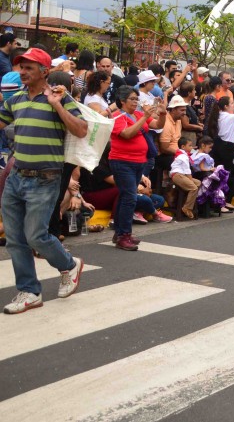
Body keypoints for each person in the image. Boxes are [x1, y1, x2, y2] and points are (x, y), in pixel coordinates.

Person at [0, 48, 88, 315]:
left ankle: (69, 265)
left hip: (45, 179)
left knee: (36, 236)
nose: (23, 72)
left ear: (44, 71)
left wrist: (57, 105)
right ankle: (29, 291)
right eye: (21, 67)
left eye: (29, 68)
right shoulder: (15, 100)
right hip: (16, 177)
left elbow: (81, 130)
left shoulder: (60, 97)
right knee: (15, 240)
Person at [108, 86, 167, 251]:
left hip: (138, 162)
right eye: (132, 99)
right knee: (130, 197)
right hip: (122, 161)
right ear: (122, 101)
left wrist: (163, 113)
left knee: (125, 196)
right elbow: (127, 134)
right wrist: (145, 117)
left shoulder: (139, 115)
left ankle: (120, 232)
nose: (135, 102)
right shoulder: (118, 116)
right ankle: (124, 235)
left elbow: (157, 124)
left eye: (136, 99)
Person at [169, 136, 201, 219]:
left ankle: (187, 200)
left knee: (198, 183)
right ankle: (187, 208)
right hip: (178, 175)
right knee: (194, 188)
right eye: (189, 145)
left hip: (182, 175)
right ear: (183, 146)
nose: (191, 147)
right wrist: (191, 181)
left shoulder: (183, 154)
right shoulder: (183, 156)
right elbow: (187, 171)